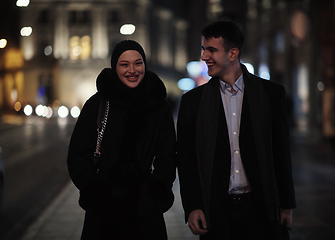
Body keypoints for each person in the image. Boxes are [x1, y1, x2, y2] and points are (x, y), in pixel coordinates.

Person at [177, 21, 296, 239]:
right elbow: (187, 160)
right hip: (216, 209)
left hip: (260, 208)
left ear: (233, 54)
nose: (204, 56)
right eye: (203, 49)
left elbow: (281, 152)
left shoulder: (270, 94)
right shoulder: (193, 102)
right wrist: (193, 206)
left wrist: (286, 204)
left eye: (212, 50)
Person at [67, 40, 176, 239]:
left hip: (145, 212)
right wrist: (95, 190)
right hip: (104, 213)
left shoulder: (158, 106)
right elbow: (77, 155)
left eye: (138, 63)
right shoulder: (98, 104)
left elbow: (167, 155)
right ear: (114, 67)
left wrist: (157, 191)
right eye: (124, 64)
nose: (132, 70)